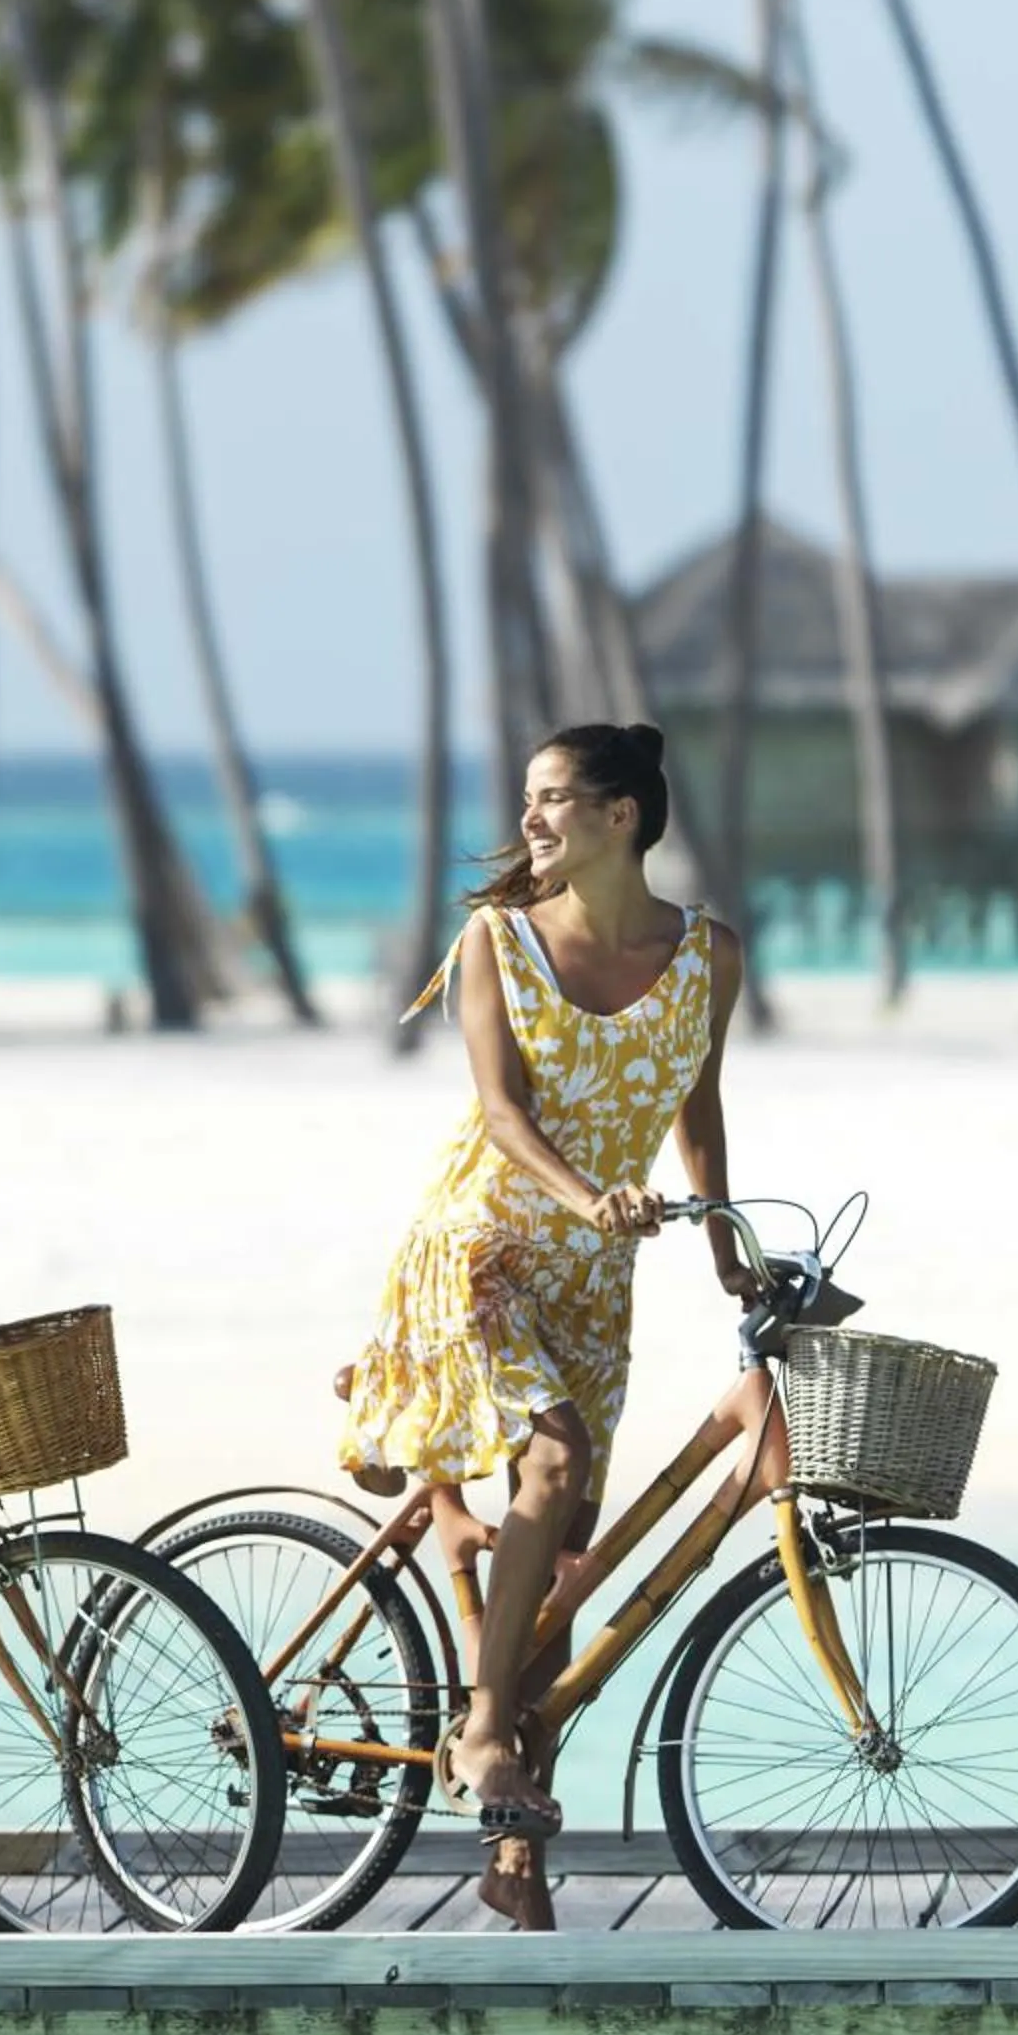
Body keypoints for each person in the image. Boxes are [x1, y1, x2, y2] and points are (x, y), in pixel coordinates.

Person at [337, 722, 757, 1930]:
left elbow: (699, 1100)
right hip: (479, 1250)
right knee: (557, 1455)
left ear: (622, 816)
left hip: (595, 1280)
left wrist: (727, 1240)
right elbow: (503, 1114)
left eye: (555, 799)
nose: (532, 820)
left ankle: (516, 1864)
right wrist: (592, 1197)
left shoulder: (707, 957)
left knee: (565, 1579)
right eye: (528, 800)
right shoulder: (498, 943)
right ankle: (477, 1729)